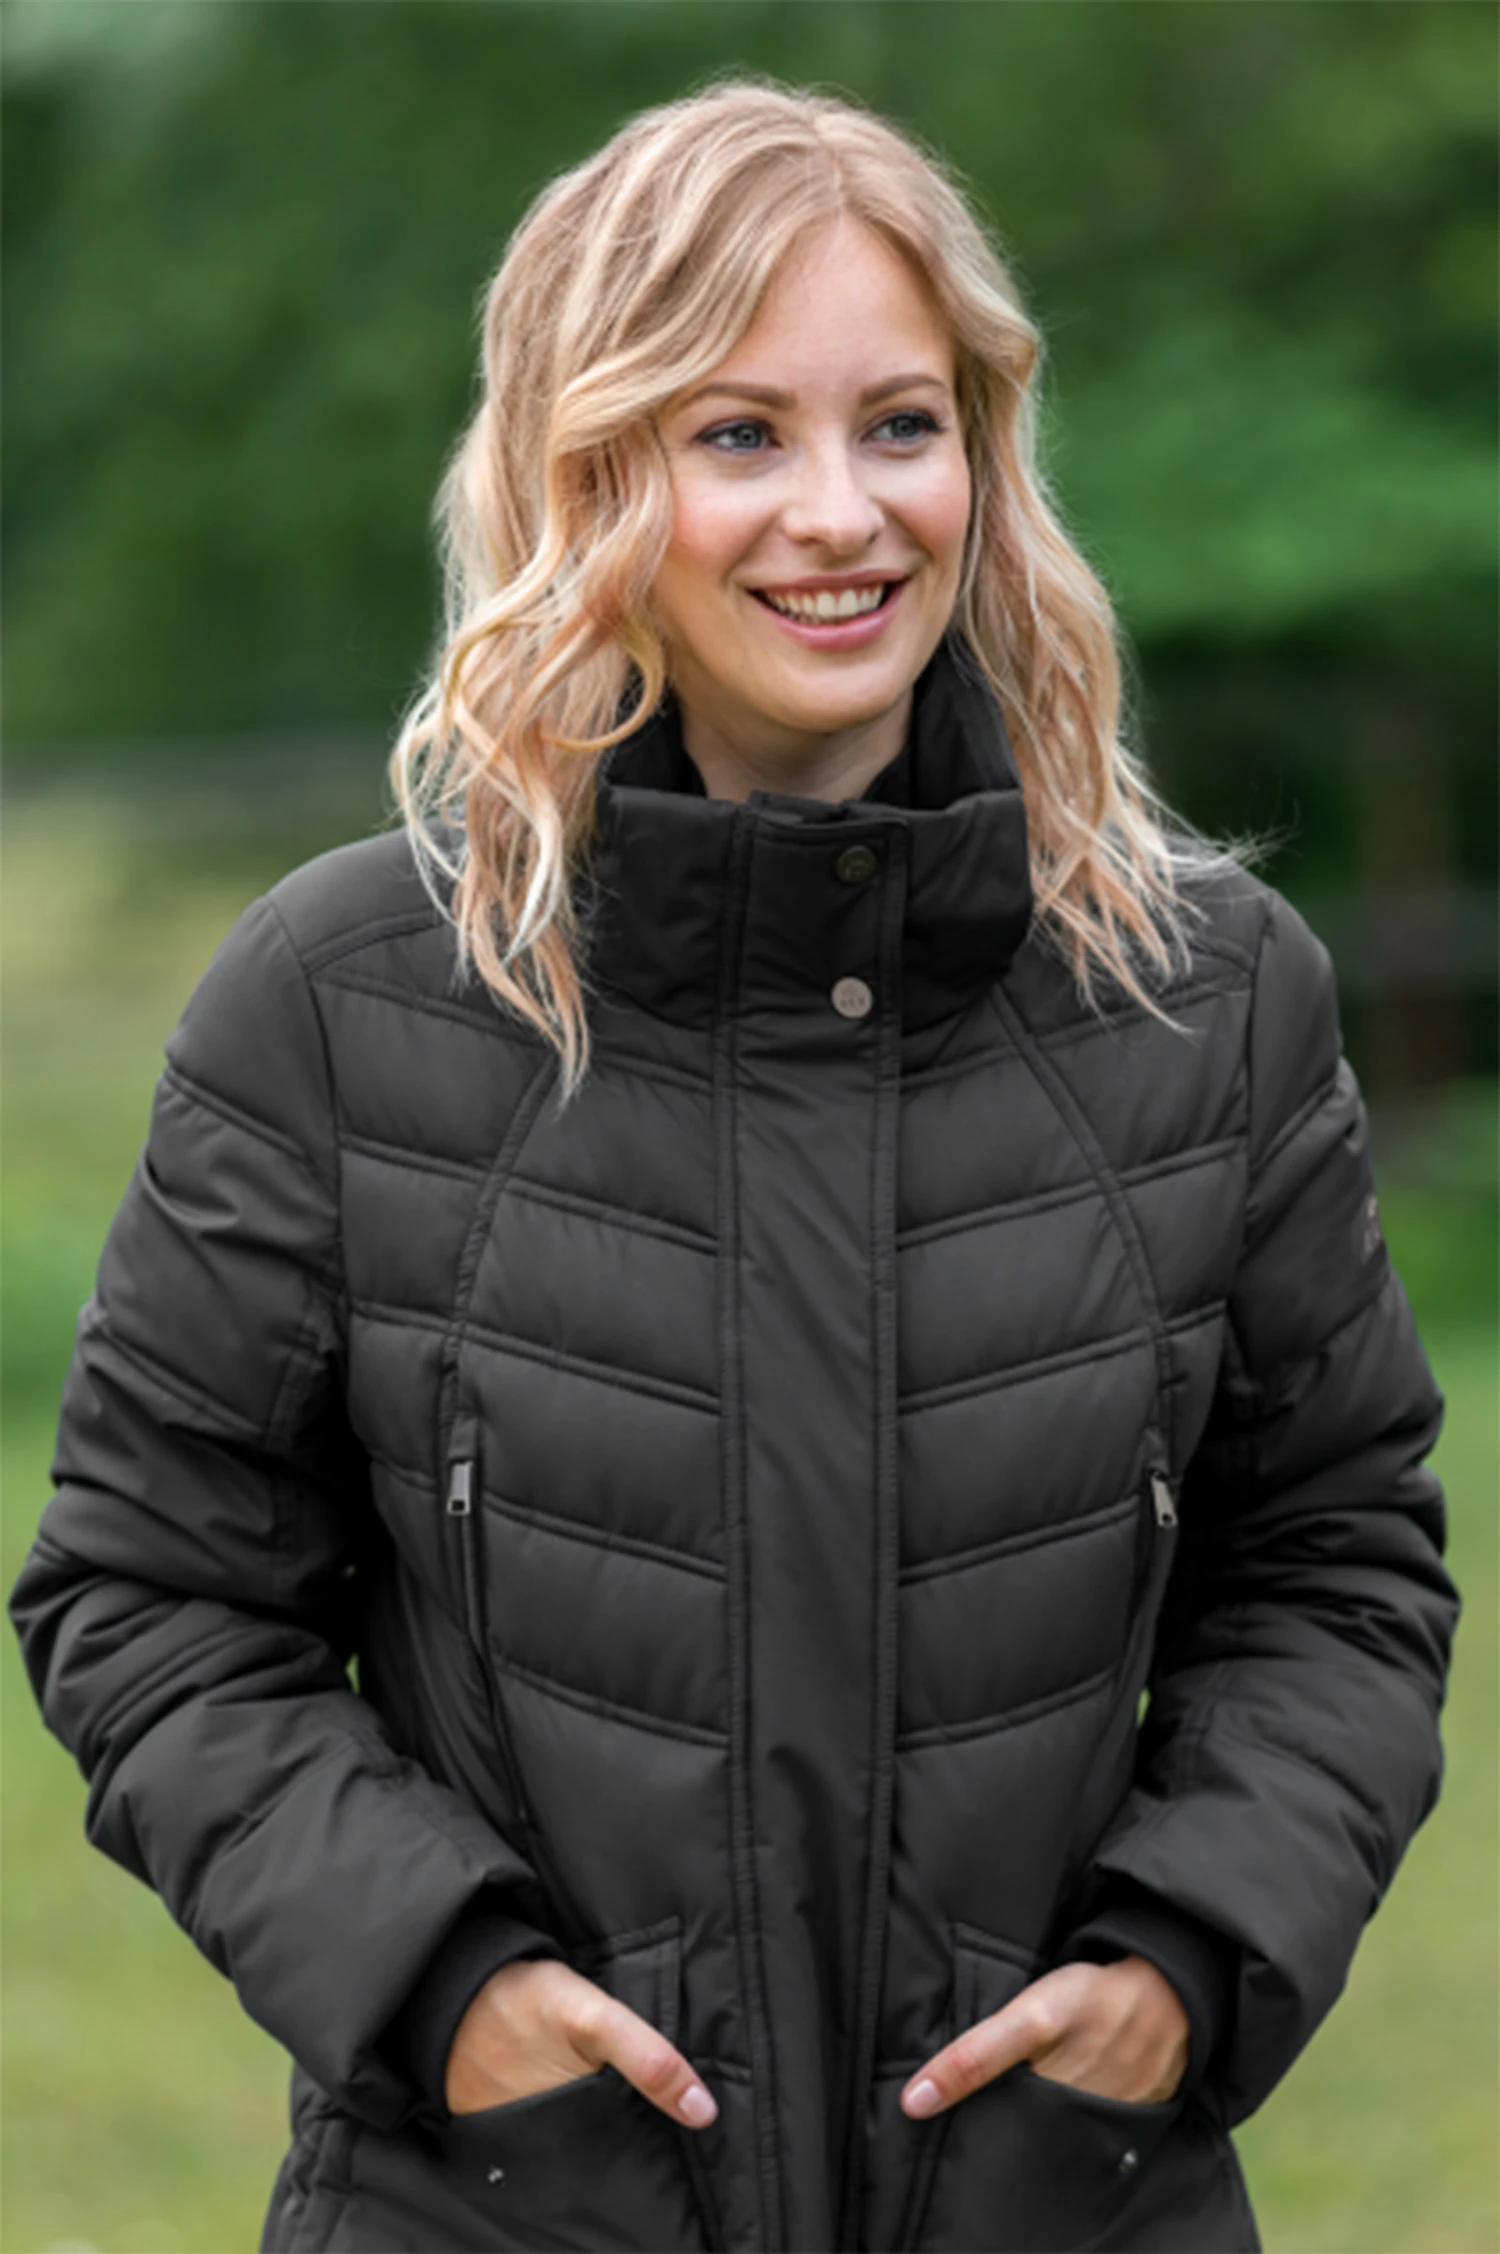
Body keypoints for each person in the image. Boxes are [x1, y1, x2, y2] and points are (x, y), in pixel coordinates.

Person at [11, 80, 1457, 2254]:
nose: (840, 512)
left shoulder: (1207, 996)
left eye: (902, 424)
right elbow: (149, 1598)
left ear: (984, 455)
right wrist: (452, 1993)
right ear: (587, 474)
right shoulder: (338, 1000)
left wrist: (1182, 1967)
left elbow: (1338, 1563)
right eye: (738, 434)